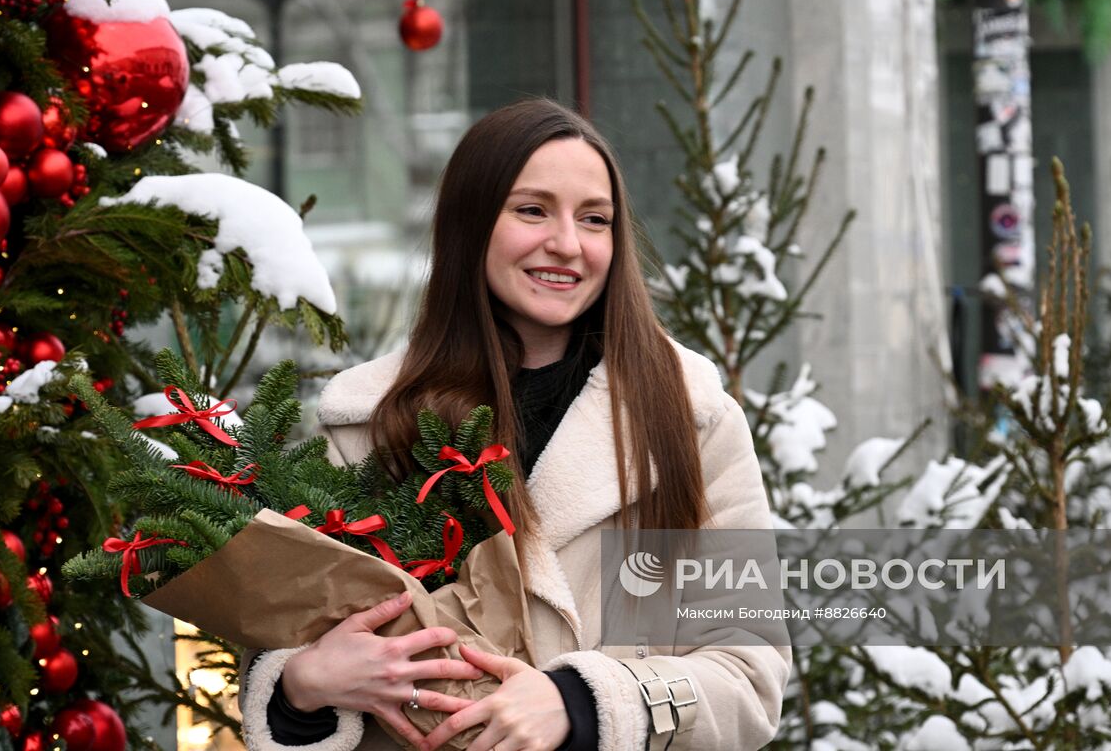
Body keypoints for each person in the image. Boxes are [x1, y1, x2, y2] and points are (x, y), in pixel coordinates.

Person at [238, 99, 789, 751]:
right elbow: (278, 652)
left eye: (595, 219)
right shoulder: (364, 423)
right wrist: (303, 686)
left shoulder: (690, 422)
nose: (567, 243)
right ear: (471, 226)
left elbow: (748, 677)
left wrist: (582, 701)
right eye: (532, 210)